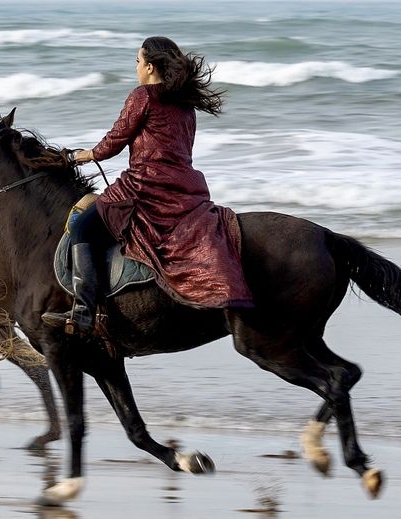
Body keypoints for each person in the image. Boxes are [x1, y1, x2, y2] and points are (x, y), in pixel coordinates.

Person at [42, 36, 253, 335]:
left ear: (151, 67)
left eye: (138, 62)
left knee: (82, 229)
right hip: (184, 191)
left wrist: (83, 156)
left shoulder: (143, 96)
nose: (137, 68)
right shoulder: (186, 106)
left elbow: (113, 142)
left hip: (143, 189)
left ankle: (84, 311)